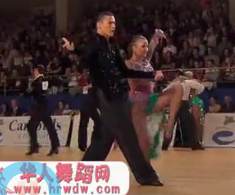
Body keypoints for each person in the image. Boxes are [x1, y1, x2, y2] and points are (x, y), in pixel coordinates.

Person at [63, 11, 163, 186]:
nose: (113, 26)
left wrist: (151, 74)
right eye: (109, 23)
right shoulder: (94, 45)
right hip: (106, 96)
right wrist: (74, 49)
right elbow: (85, 55)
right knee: (128, 135)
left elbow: (125, 72)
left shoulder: (113, 48)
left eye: (114, 23)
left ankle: (81, 173)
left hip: (118, 95)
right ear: (99, 25)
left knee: (103, 139)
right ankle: (146, 176)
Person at [25, 65, 60, 156]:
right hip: (45, 106)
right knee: (50, 127)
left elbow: (29, 93)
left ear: (37, 71)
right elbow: (56, 82)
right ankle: (55, 146)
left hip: (38, 108)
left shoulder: (35, 82)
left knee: (31, 126)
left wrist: (27, 92)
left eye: (34, 70)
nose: (33, 72)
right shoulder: (46, 79)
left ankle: (35, 147)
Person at [78, 85, 101, 152]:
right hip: (91, 106)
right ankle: (95, 142)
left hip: (84, 106)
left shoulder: (88, 88)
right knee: (98, 123)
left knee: (83, 126)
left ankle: (82, 145)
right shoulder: (96, 88)